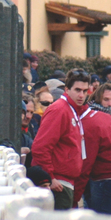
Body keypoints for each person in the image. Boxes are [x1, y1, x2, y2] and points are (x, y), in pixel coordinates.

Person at [32, 70, 97, 209]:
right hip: (58, 184)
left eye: (85, 91)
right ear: (67, 90)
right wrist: (50, 178)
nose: (81, 95)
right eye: (77, 90)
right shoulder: (59, 110)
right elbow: (40, 147)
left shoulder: (72, 110)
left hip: (65, 181)